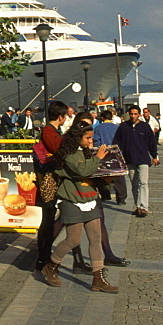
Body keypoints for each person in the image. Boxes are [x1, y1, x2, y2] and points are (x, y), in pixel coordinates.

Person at [40, 123, 119, 293]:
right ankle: (51, 265)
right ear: (77, 138)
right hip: (72, 198)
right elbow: (82, 170)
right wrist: (97, 158)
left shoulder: (85, 151)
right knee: (73, 239)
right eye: (87, 138)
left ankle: (98, 278)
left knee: (95, 238)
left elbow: (92, 172)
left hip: (89, 197)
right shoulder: (68, 154)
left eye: (91, 137)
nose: (91, 141)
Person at [34, 100, 89, 274]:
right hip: (49, 180)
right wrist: (73, 136)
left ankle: (49, 256)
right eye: (66, 116)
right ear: (60, 116)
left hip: (52, 179)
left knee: (52, 220)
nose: (67, 119)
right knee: (48, 220)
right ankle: (43, 258)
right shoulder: (49, 131)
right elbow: (59, 149)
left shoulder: (52, 130)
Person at [114, 105, 159, 218]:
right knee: (134, 184)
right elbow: (117, 142)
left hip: (143, 158)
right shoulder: (123, 127)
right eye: (131, 114)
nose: (133, 116)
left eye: (135, 114)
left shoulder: (145, 127)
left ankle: (144, 207)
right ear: (128, 114)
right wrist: (117, 155)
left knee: (143, 183)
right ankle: (137, 205)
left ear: (139, 114)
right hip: (129, 159)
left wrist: (154, 156)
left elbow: (151, 143)